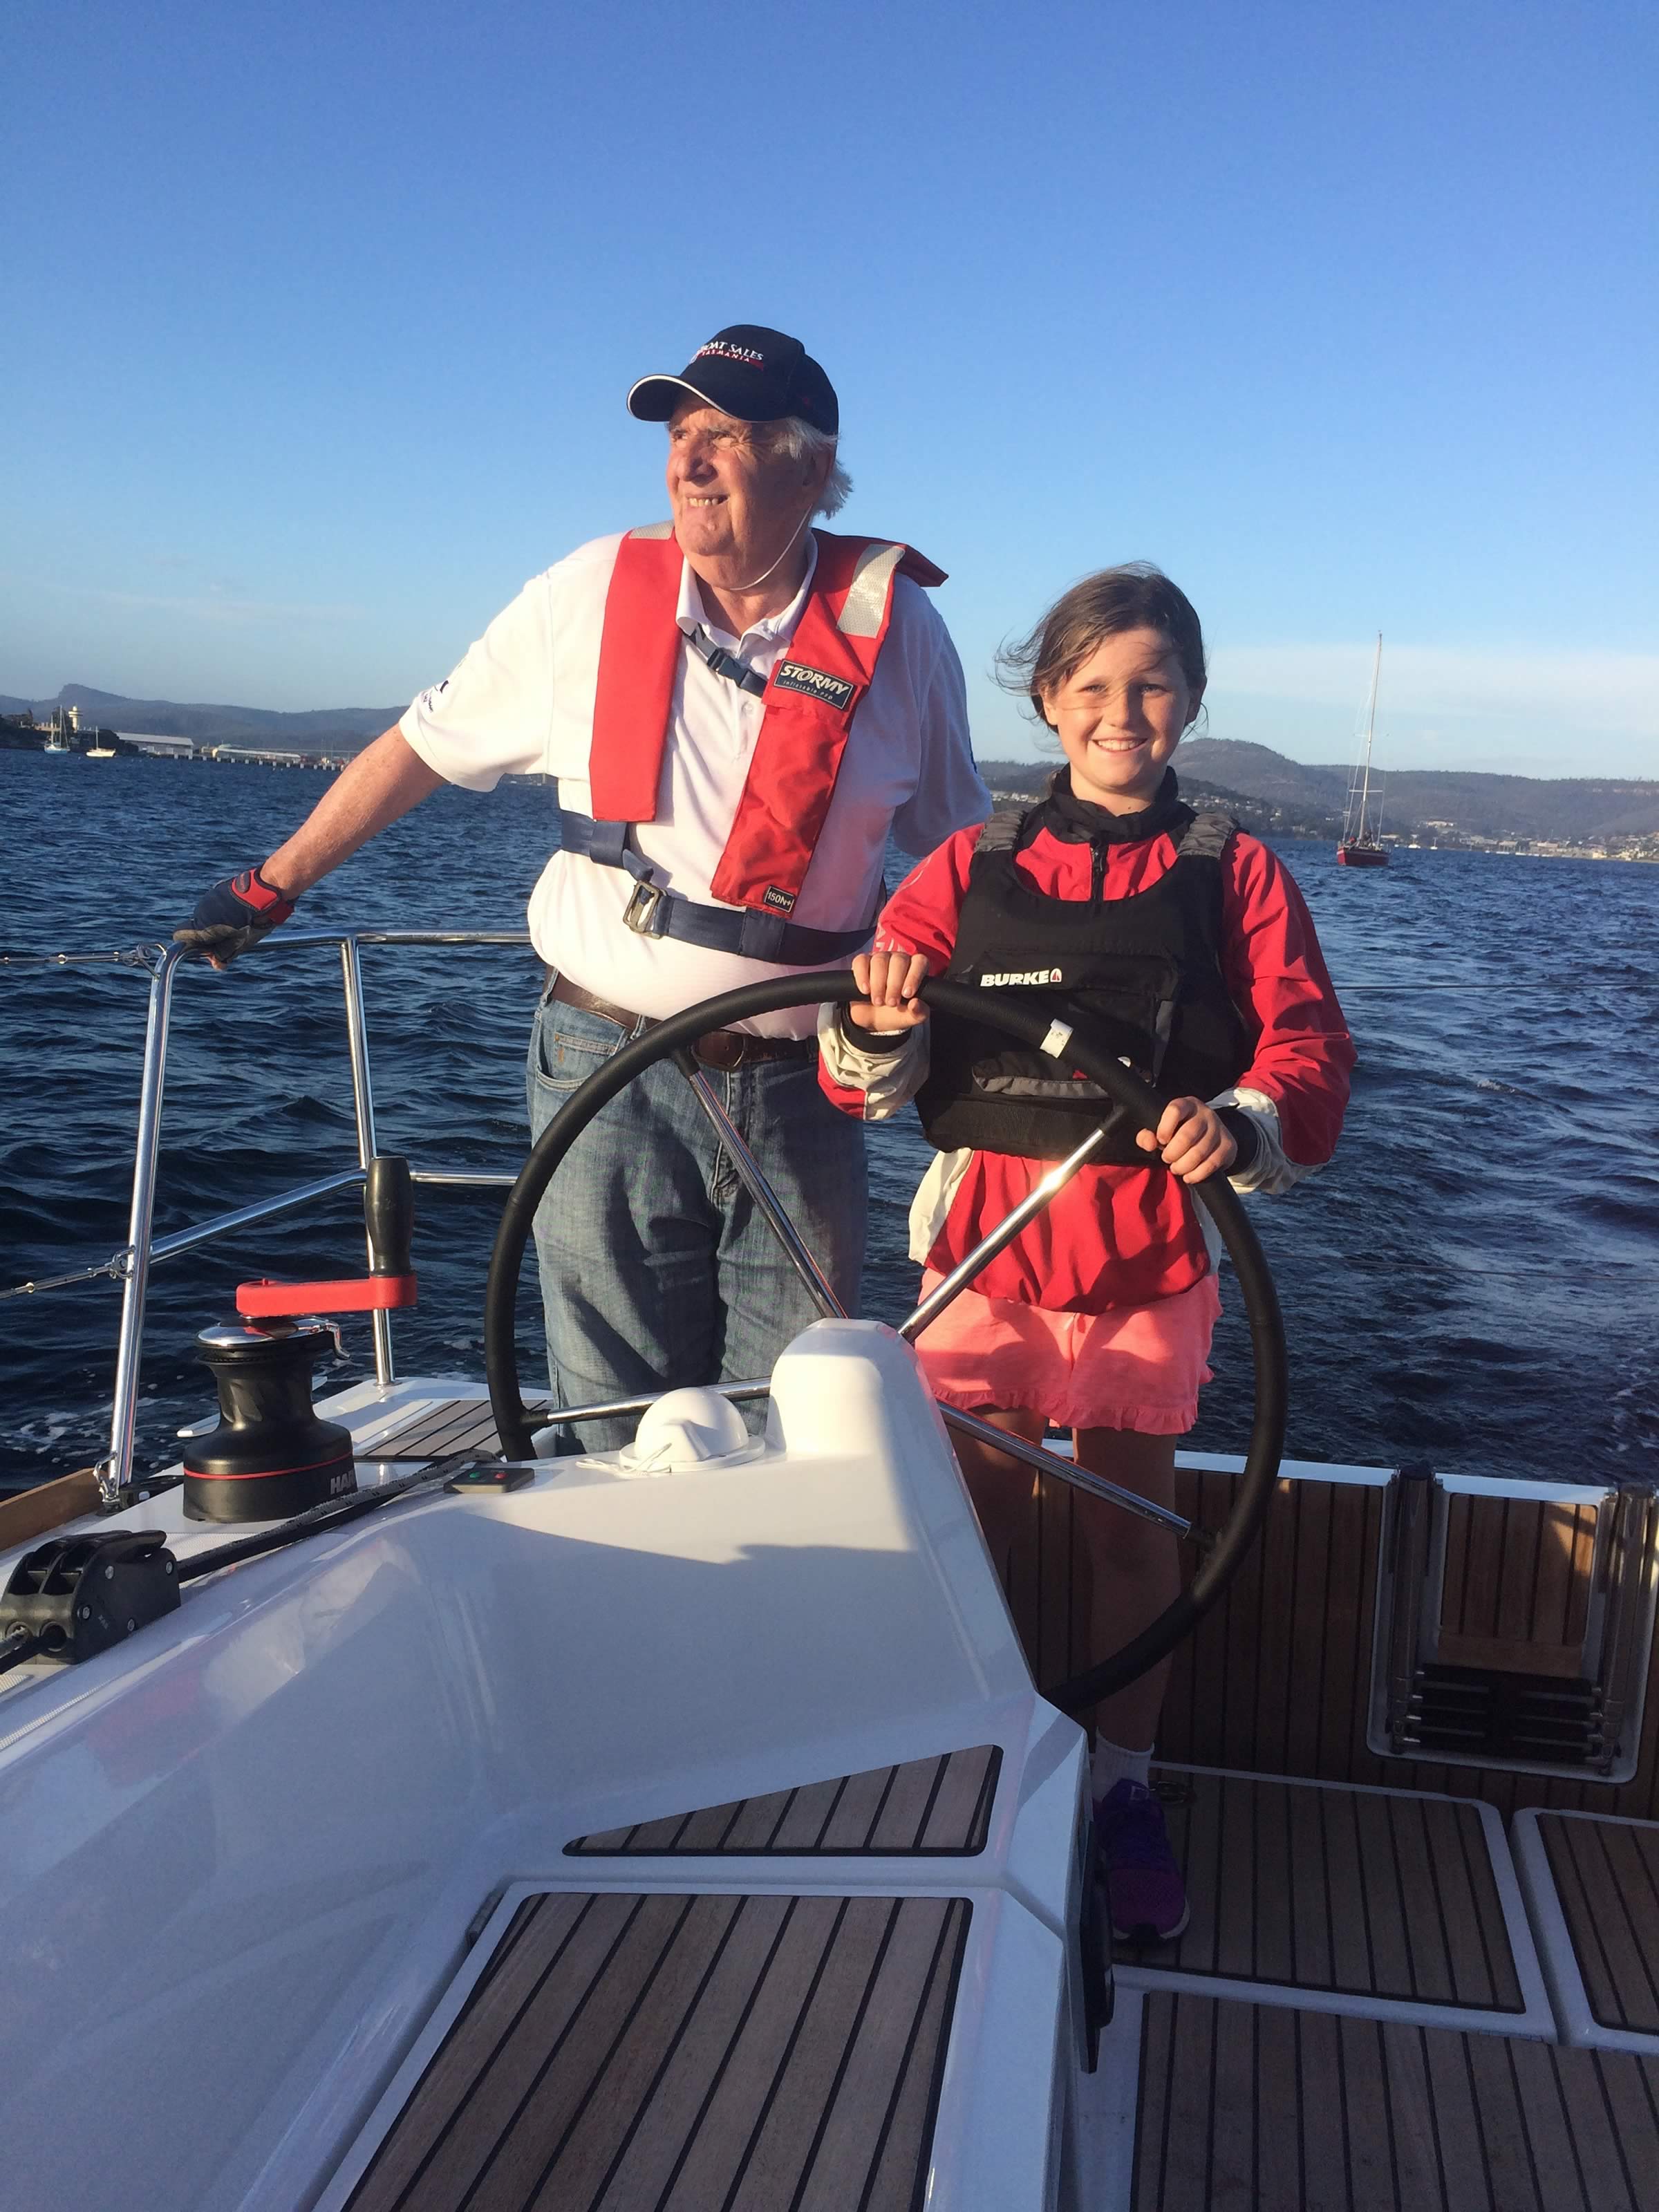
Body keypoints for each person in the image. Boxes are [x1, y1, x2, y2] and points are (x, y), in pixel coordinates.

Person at [174, 324, 988, 1445]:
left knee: (798, 1421)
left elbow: (960, 857)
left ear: (810, 469)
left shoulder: (901, 634)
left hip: (805, 1088)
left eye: (728, 436)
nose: (689, 461)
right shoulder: (587, 592)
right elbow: (423, 745)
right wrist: (271, 885)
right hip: (605, 1068)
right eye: (680, 433)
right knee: (612, 1425)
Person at [818, 564, 1353, 1942]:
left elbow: (1308, 1050)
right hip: (980, 1256)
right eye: (1095, 686)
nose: (1125, 712)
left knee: (1128, 1531)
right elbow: (860, 1064)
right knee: (972, 1519)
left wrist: (1240, 1121)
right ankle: (959, 1746)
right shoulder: (964, 865)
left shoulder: (1238, 873)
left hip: (1146, 1258)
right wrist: (877, 1024)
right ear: (1050, 699)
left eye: (1153, 685)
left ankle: (1122, 1788)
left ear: (1191, 700)